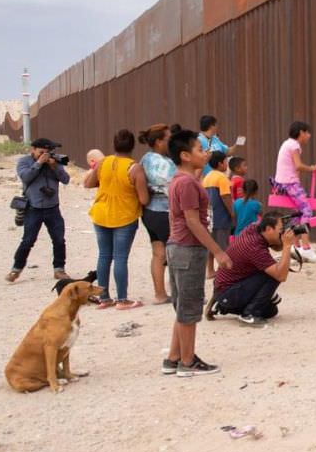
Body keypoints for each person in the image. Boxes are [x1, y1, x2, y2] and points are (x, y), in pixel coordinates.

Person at [163, 128, 232, 377]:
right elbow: (193, 222)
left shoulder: (178, 180)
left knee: (183, 308)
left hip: (177, 248)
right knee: (190, 310)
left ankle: (173, 357)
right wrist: (218, 252)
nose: (205, 153)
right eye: (199, 149)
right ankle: (188, 361)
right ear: (185, 155)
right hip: (188, 249)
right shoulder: (188, 183)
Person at [84, 129, 149, 309]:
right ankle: (122, 299)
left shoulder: (103, 162)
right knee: (120, 258)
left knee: (104, 255)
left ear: (114, 144)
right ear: (132, 146)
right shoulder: (134, 168)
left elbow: (87, 183)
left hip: (101, 213)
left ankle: (103, 297)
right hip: (124, 216)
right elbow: (143, 199)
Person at [206, 212, 295, 326]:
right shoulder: (254, 247)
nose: (283, 233)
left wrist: (284, 229)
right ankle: (249, 314)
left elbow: (276, 246)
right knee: (275, 272)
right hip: (228, 293)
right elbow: (281, 275)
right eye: (281, 230)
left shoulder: (254, 228)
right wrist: (287, 246)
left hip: (226, 286)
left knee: (271, 311)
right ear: (268, 229)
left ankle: (221, 306)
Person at [8, 138, 71, 282]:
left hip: (53, 208)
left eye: (47, 152)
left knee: (59, 240)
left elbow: (66, 179)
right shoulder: (25, 162)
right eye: (41, 152)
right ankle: (16, 269)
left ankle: (59, 269)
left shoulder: (55, 162)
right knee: (28, 240)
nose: (44, 155)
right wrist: (39, 163)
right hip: (33, 208)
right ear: (33, 150)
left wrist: (54, 167)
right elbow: (26, 177)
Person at [272, 121, 316, 262]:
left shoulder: (287, 143)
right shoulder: (294, 145)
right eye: (307, 132)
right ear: (301, 132)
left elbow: (294, 168)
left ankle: (295, 246)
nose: (309, 136)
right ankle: (306, 248)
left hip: (282, 183)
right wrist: (313, 168)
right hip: (289, 183)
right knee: (306, 211)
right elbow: (299, 166)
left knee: (297, 214)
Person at [139, 123, 177, 305]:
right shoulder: (163, 163)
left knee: (158, 253)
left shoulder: (146, 159)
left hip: (149, 212)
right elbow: (176, 183)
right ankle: (178, 293)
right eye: (168, 139)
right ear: (159, 141)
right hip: (164, 212)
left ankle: (160, 294)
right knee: (176, 252)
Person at [202, 151, 235, 278]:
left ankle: (210, 270)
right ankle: (225, 272)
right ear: (220, 163)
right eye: (226, 161)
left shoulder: (207, 176)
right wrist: (232, 213)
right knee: (223, 246)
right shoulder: (222, 178)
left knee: (211, 245)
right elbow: (226, 196)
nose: (227, 164)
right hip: (221, 218)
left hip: (209, 217)